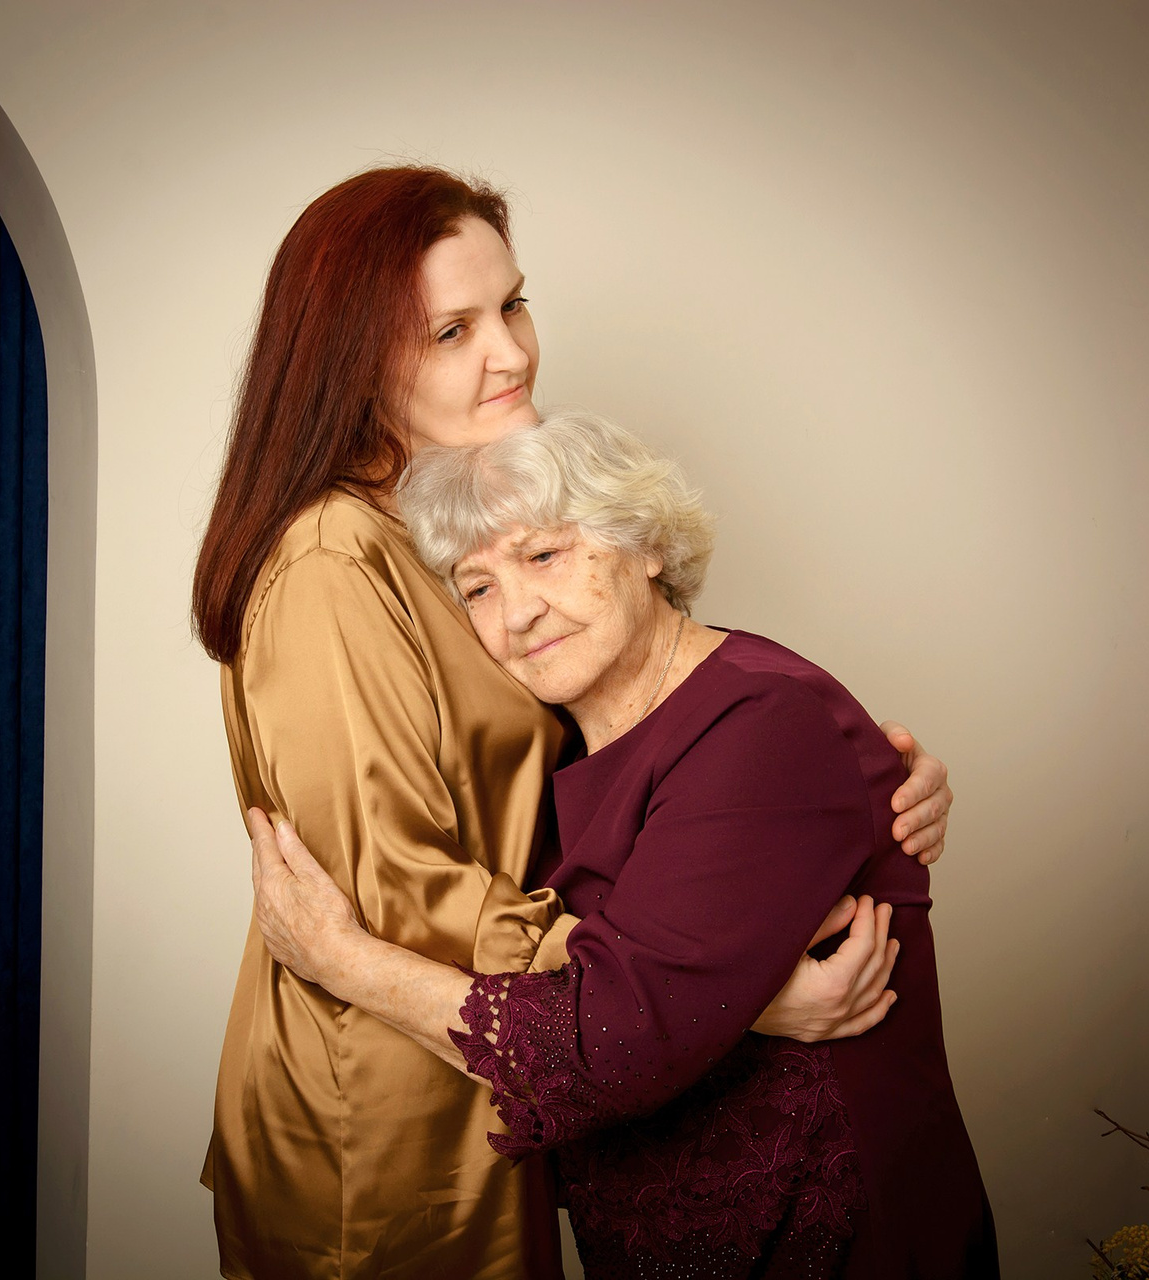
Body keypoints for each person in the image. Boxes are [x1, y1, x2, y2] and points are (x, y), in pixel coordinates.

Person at [192, 167, 956, 1280]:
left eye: (512, 304)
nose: (510, 352)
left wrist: (855, 779)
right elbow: (388, 889)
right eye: (452, 330)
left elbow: (636, 731)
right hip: (387, 1099)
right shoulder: (332, 558)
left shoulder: (459, 519)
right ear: (355, 361)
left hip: (518, 1066)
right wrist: (708, 996)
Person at [250, 409, 997, 1278]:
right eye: (477, 588)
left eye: (543, 555)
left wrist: (340, 961)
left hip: (835, 1244)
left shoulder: (759, 719)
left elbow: (615, 1041)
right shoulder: (555, 756)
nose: (517, 612)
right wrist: (752, 1005)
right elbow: (635, 977)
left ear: (645, 546)